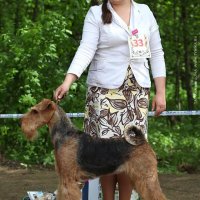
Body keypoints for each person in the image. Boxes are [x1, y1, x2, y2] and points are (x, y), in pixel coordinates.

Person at [54, 0, 166, 199]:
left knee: (132, 151)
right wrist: (68, 81)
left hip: (136, 92)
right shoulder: (96, 13)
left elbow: (156, 52)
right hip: (104, 94)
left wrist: (161, 92)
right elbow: (86, 49)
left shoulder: (145, 12)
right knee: (105, 152)